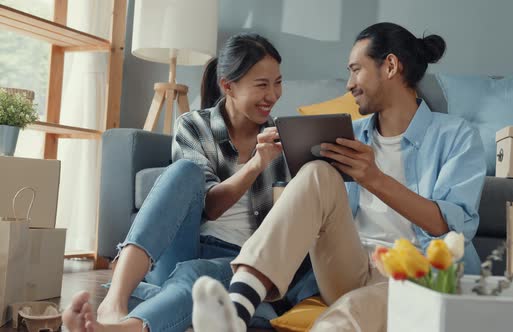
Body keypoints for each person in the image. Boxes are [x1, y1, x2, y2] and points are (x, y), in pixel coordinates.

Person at [191, 22, 487, 332]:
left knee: (348, 313)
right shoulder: (349, 136)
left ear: (389, 66)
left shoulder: (455, 136)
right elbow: (308, 207)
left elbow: (452, 227)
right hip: (350, 267)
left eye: (356, 70)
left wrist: (373, 178)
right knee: (317, 172)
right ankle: (237, 312)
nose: (349, 84)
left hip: (419, 278)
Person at [62, 33, 317, 332]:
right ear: (228, 85)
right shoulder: (195, 126)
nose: (273, 95)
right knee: (185, 171)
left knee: (197, 277)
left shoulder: (284, 137)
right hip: (186, 246)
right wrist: (256, 165)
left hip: (241, 261)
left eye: (278, 82)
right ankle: (116, 302)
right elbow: (211, 205)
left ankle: (131, 322)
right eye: (262, 85)